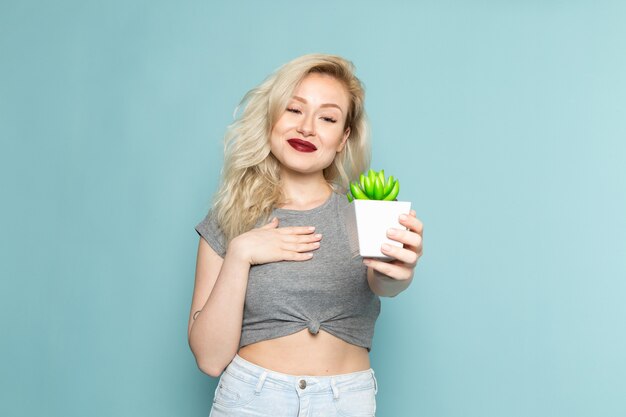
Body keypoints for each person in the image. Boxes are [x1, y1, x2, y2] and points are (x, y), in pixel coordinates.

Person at [188, 53, 424, 417]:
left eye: (327, 118)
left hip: (345, 401)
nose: (307, 128)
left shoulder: (362, 214)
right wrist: (240, 252)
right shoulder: (229, 217)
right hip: (252, 400)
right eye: (294, 110)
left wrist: (399, 274)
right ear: (272, 119)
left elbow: (385, 281)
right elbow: (209, 358)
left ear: (344, 137)